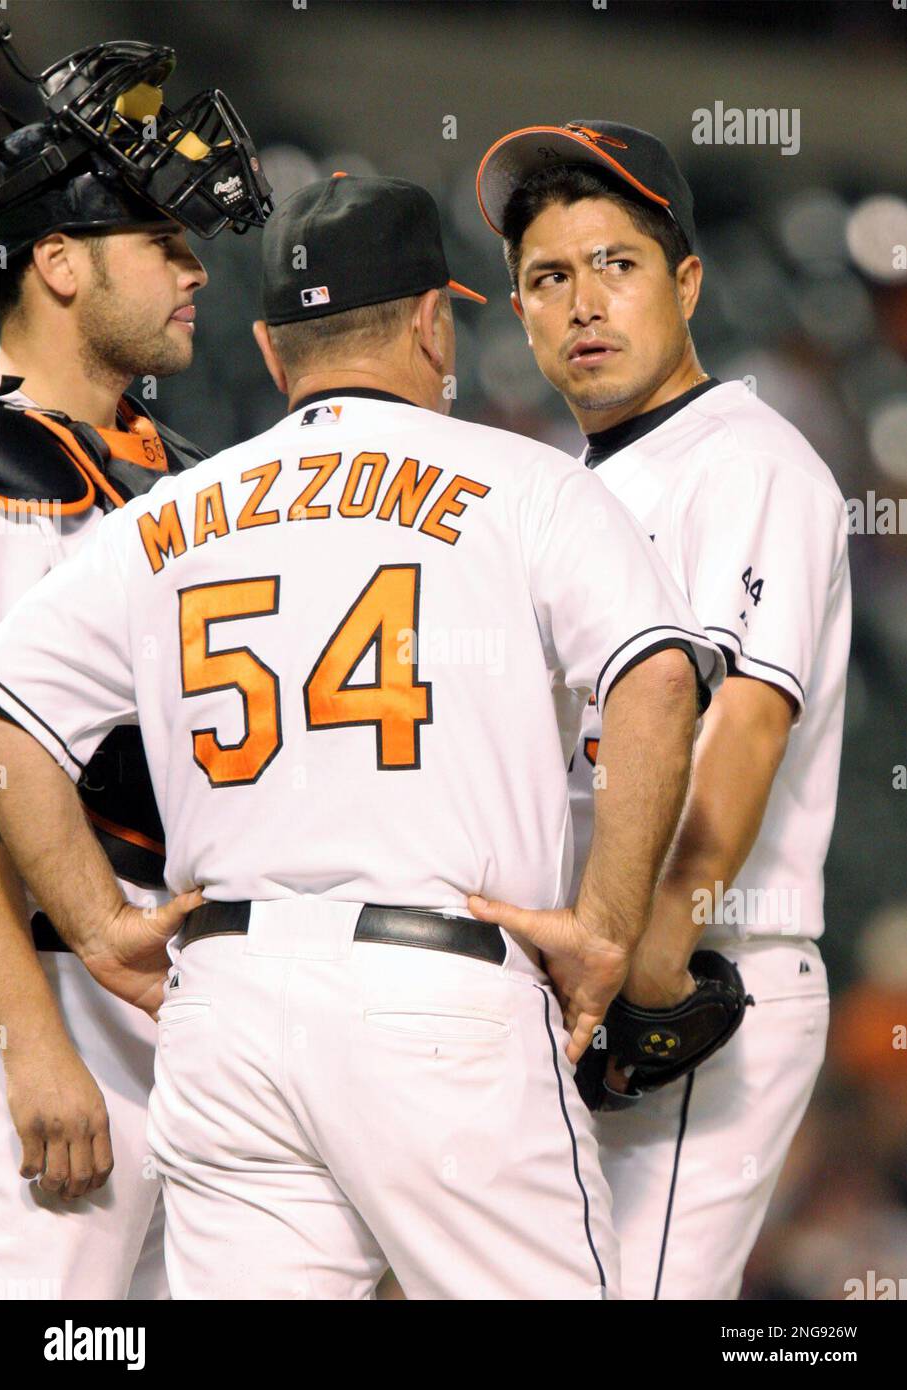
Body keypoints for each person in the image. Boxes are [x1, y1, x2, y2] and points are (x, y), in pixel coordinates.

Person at [0, 170, 724, 1300]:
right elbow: (658, 679)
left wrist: (96, 925)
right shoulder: (526, 484)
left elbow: (5, 712)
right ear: (435, 321)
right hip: (439, 993)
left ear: (272, 349)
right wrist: (605, 926)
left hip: (223, 1009)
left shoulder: (168, 517)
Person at [475, 118, 851, 1299]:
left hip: (699, 975)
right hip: (592, 984)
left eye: (617, 264)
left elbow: (741, 726)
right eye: (549, 276)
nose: (583, 300)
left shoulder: (742, 458)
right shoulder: (571, 484)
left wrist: (647, 974)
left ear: (685, 282)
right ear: (521, 313)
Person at [0, 29, 270, 1299]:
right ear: (56, 261)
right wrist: (30, 1040)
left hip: (195, 998)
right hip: (50, 982)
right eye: (160, 240)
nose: (192, 269)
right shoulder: (7, 471)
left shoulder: (195, 468)